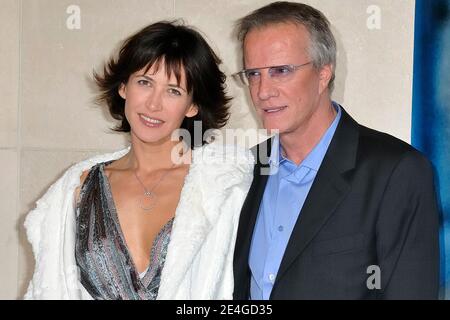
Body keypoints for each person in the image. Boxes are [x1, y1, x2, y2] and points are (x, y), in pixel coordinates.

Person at [24, 21, 253, 300]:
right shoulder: (77, 188)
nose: (153, 104)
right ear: (123, 87)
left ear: (193, 106)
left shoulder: (226, 189)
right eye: (145, 83)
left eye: (173, 91)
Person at [232, 1, 440, 299]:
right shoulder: (243, 170)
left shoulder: (395, 172)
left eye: (281, 71)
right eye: (253, 73)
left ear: (323, 74)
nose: (263, 91)